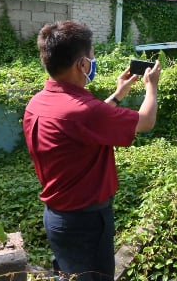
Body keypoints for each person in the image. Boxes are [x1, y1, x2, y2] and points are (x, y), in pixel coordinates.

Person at [23, 20, 161, 280]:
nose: (92, 62)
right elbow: (146, 121)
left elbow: (85, 122)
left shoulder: (38, 102)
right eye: (92, 57)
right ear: (82, 64)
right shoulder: (84, 111)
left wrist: (119, 94)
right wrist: (151, 86)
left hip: (57, 218)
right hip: (86, 223)